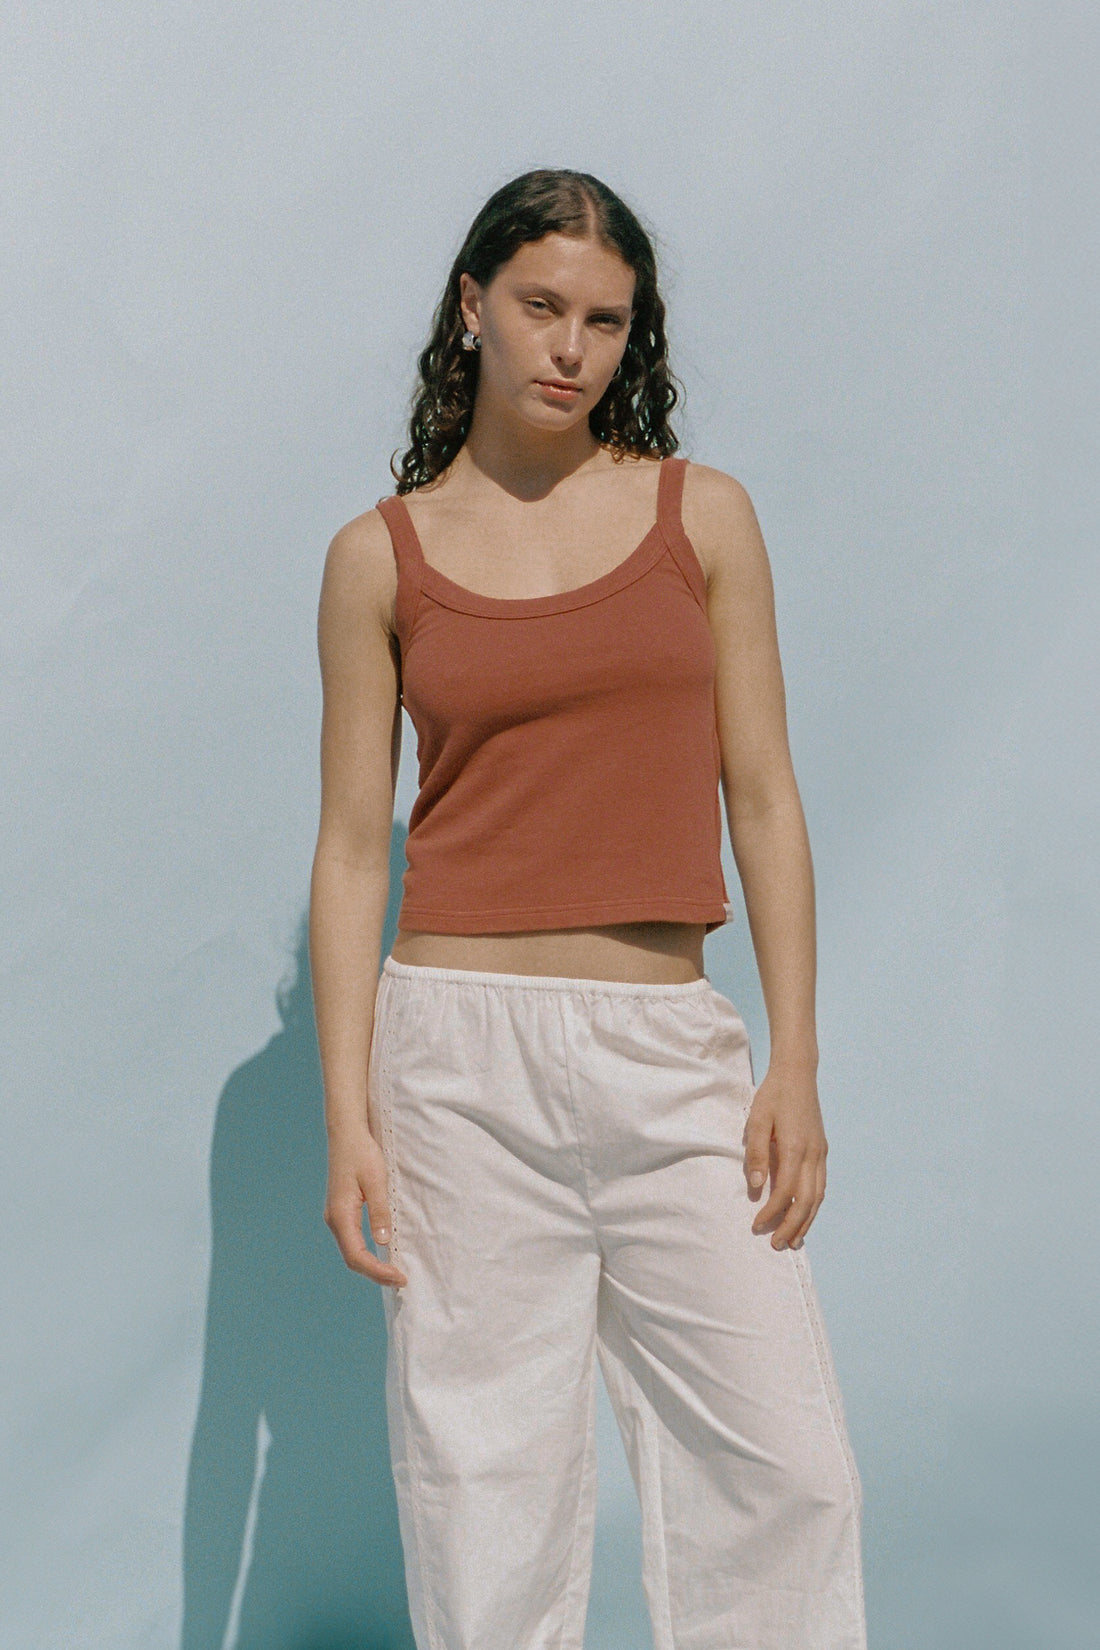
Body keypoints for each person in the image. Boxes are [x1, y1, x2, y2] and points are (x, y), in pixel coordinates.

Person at [309, 169, 867, 1650]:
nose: (571, 348)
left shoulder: (704, 518)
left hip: (665, 1044)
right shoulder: (379, 555)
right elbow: (353, 850)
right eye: (542, 306)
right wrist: (349, 1112)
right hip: (456, 1063)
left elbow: (766, 799)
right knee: (482, 1490)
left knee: (786, 1473)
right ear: (473, 306)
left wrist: (795, 1061)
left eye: (606, 321)